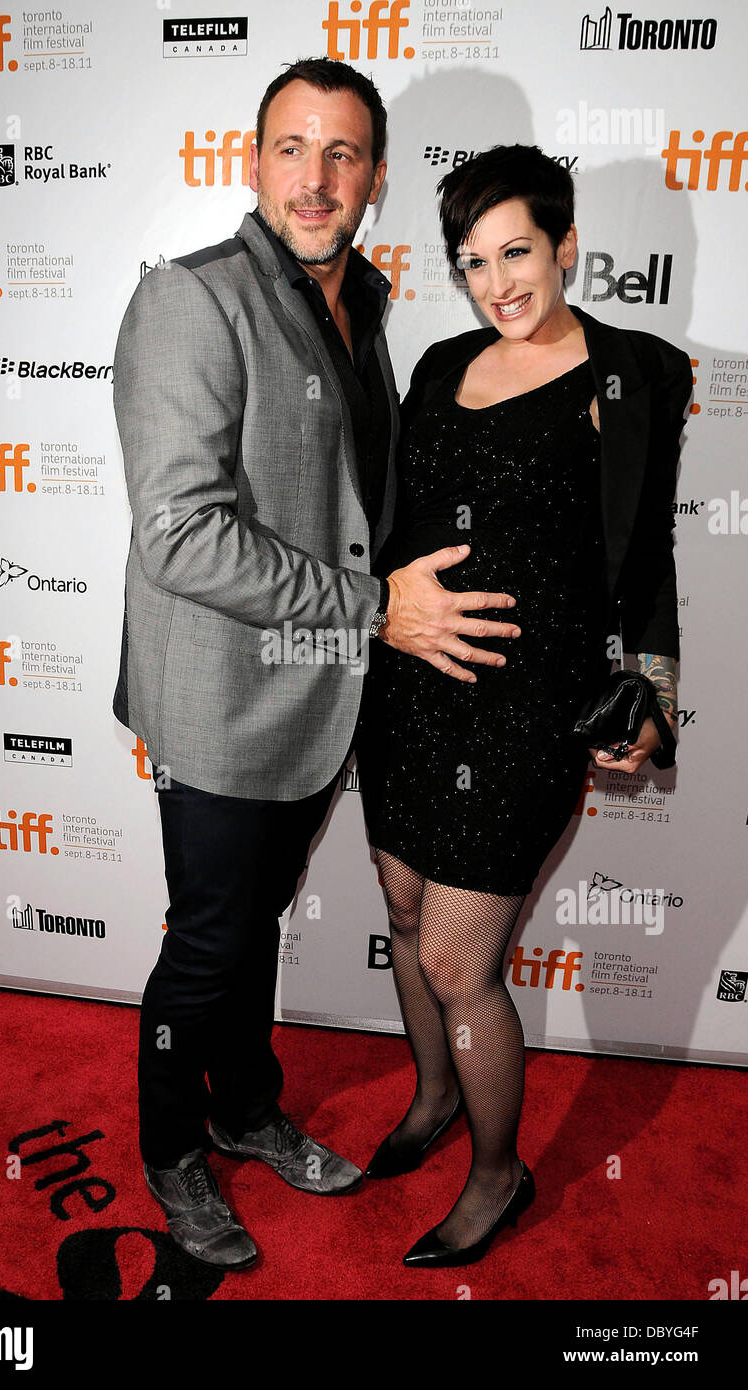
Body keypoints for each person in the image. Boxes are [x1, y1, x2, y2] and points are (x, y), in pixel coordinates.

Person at [111, 60, 519, 1271]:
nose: (315, 176)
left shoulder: (365, 306)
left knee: (249, 931)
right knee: (208, 941)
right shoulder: (195, 299)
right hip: (226, 699)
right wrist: (369, 610)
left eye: (342, 154)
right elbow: (179, 533)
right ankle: (174, 1146)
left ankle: (245, 1110)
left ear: (377, 179)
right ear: (251, 161)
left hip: (314, 698)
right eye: (291, 147)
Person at [355, 144, 692, 1268]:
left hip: (522, 710)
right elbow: (397, 525)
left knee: (459, 961)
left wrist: (649, 687)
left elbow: (644, 554)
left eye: (515, 253)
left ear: (563, 247)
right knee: (402, 916)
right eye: (470, 262)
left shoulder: (625, 374)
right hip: (406, 689)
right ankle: (433, 1097)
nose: (496, 283)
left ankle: (497, 1173)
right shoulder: (439, 361)